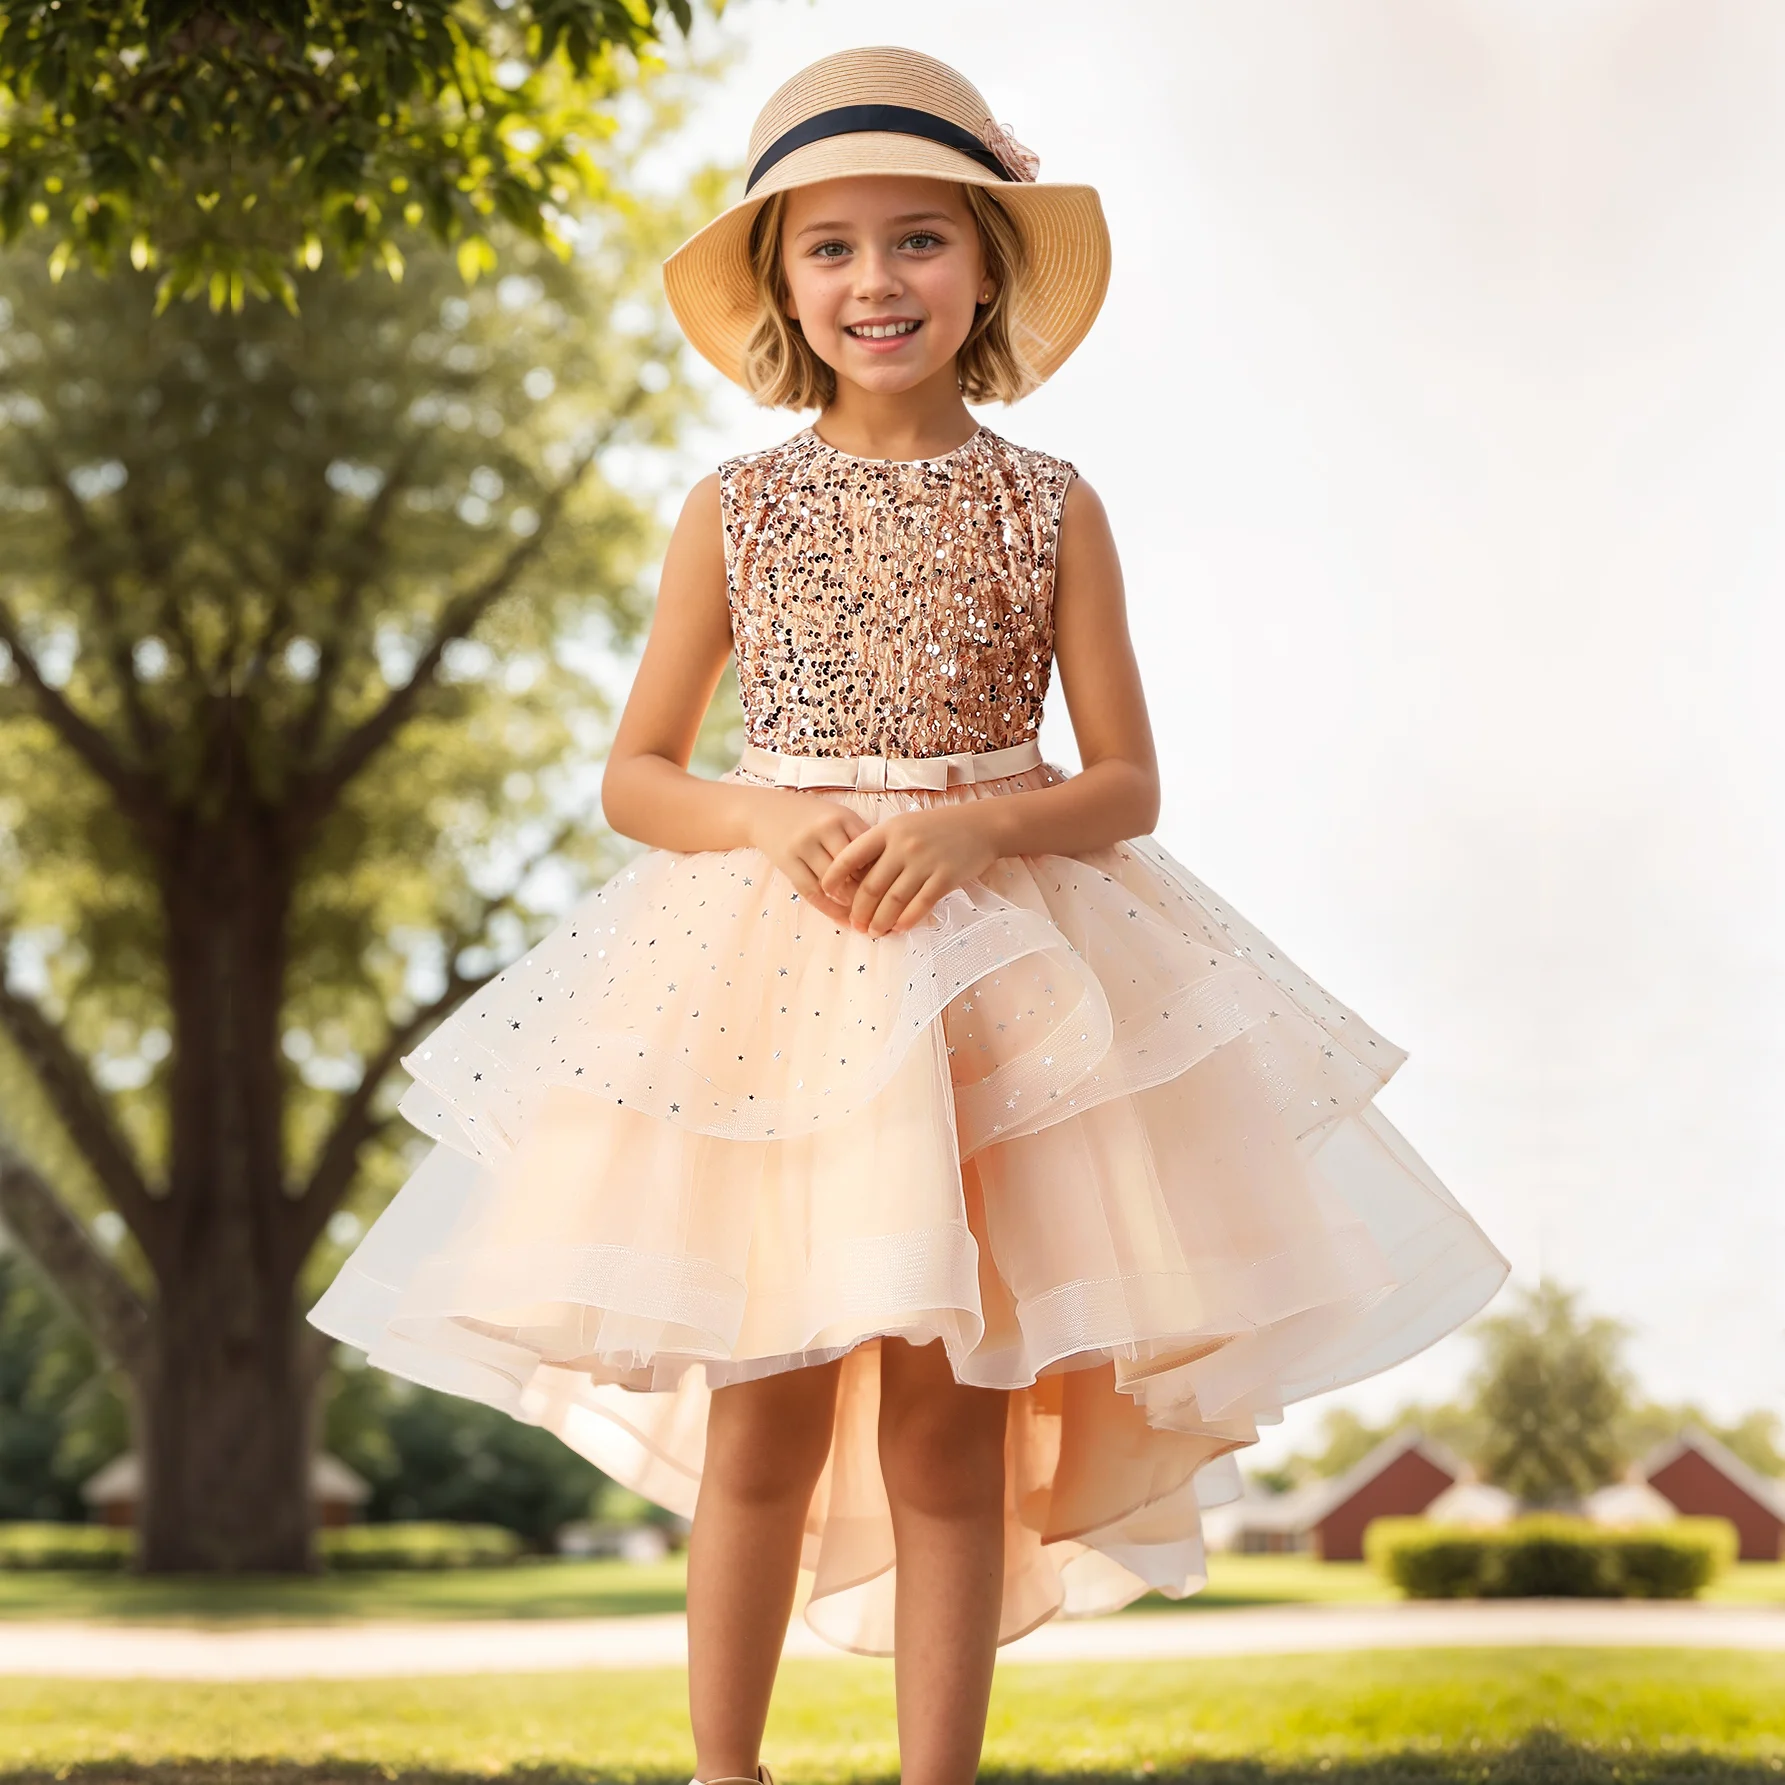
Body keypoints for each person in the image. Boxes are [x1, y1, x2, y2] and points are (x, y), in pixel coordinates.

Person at [308, 44, 1511, 1785]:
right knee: (763, 1418)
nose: (879, 281)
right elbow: (638, 773)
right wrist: (763, 819)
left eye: (921, 239)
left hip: (1003, 991)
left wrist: (977, 831)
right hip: (764, 993)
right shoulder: (733, 511)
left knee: (958, 1428)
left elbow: (1128, 786)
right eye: (833, 248)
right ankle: (728, 1774)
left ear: (987, 263)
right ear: (784, 285)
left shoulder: (1049, 505)